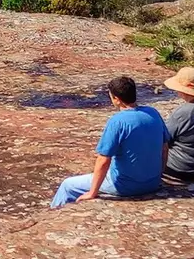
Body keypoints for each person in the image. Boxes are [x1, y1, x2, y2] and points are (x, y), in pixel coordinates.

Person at [50, 76, 166, 206]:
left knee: (67, 185)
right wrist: (158, 174)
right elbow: (165, 146)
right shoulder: (153, 113)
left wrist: (92, 192)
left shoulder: (117, 121)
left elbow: (103, 160)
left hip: (124, 186)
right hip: (153, 182)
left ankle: (53, 214)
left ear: (116, 99)